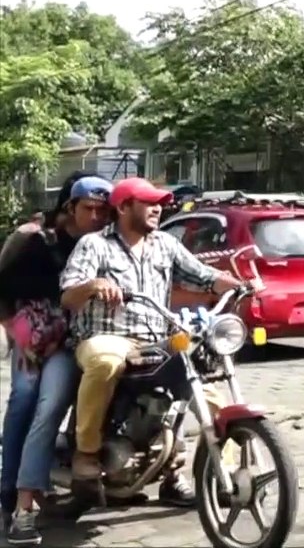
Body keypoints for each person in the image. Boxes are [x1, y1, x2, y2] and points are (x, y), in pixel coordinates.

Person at [59, 177, 247, 508]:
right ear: (123, 207)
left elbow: (203, 275)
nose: (158, 208)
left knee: (209, 391)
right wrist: (93, 285)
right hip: (106, 336)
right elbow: (69, 295)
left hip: (157, 339)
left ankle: (212, 472)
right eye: (148, 202)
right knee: (105, 362)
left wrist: (236, 284)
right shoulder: (95, 245)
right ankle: (86, 455)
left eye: (160, 203)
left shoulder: (164, 244)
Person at [0, 176, 114, 545]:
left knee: (48, 406)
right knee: (24, 398)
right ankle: (9, 492)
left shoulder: (101, 245)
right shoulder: (34, 239)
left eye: (103, 210)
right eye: (89, 209)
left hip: (68, 338)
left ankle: (36, 483)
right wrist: (17, 338)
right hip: (29, 335)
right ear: (69, 207)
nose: (96, 217)